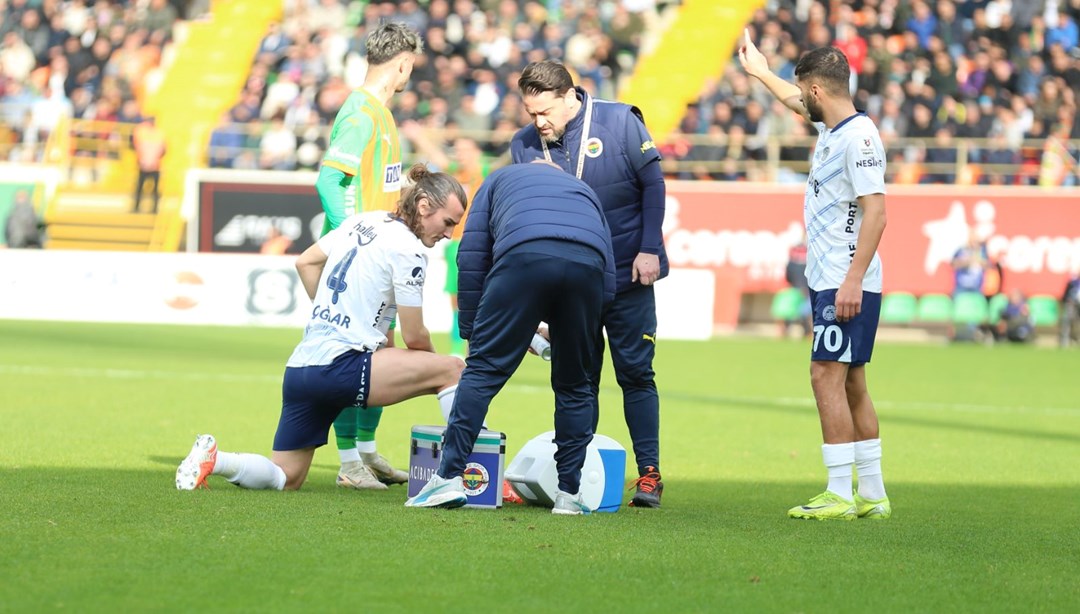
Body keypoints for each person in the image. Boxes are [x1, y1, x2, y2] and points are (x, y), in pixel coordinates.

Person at [176, 165, 468, 492]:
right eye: (448, 223)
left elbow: (305, 261)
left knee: (285, 477)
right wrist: (432, 364)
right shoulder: (409, 249)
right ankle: (466, 473)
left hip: (302, 368)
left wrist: (331, 310)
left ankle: (215, 459)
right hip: (342, 366)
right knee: (454, 369)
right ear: (425, 205)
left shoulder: (363, 220)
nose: (448, 234)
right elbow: (415, 336)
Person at [405, 162, 615, 515]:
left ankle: (448, 478)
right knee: (576, 385)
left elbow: (472, 258)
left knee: (483, 372)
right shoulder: (584, 191)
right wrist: (581, 330)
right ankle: (568, 495)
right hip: (587, 268)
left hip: (523, 255)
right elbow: (607, 270)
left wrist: (473, 331)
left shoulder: (498, 179)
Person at [741, 30, 891, 521]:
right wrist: (761, 70)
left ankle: (838, 493)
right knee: (852, 383)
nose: (799, 97)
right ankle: (871, 493)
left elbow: (876, 213)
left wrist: (851, 280)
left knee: (823, 374)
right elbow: (790, 97)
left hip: (845, 278)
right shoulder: (834, 129)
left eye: (804, 90)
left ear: (818, 91)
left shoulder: (859, 139)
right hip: (832, 274)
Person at [508, 60, 669, 508]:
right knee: (577, 380)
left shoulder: (619, 121)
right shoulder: (524, 145)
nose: (538, 123)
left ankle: (650, 474)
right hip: (567, 284)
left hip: (627, 272)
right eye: (530, 112)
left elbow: (653, 185)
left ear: (568, 96)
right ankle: (574, 479)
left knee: (636, 373)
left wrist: (649, 248)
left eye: (545, 112)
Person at [315, 22, 423, 490]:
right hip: (359, 260)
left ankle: (365, 452)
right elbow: (328, 182)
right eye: (410, 67)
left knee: (381, 356)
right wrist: (352, 238)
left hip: (379, 256)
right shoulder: (361, 112)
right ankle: (348, 464)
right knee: (352, 360)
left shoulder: (381, 113)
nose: (409, 74)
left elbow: (377, 184)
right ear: (402, 62)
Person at [132, 117, 166, 213]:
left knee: (152, 189)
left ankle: (153, 208)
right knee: (141, 188)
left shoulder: (146, 132)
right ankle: (139, 207)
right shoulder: (147, 132)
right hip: (147, 164)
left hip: (153, 165)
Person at [1061, 270, 1080, 348]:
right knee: (1067, 322)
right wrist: (1068, 300)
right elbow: (1065, 296)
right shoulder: (1073, 283)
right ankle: (1064, 341)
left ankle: (1077, 340)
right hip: (1072, 305)